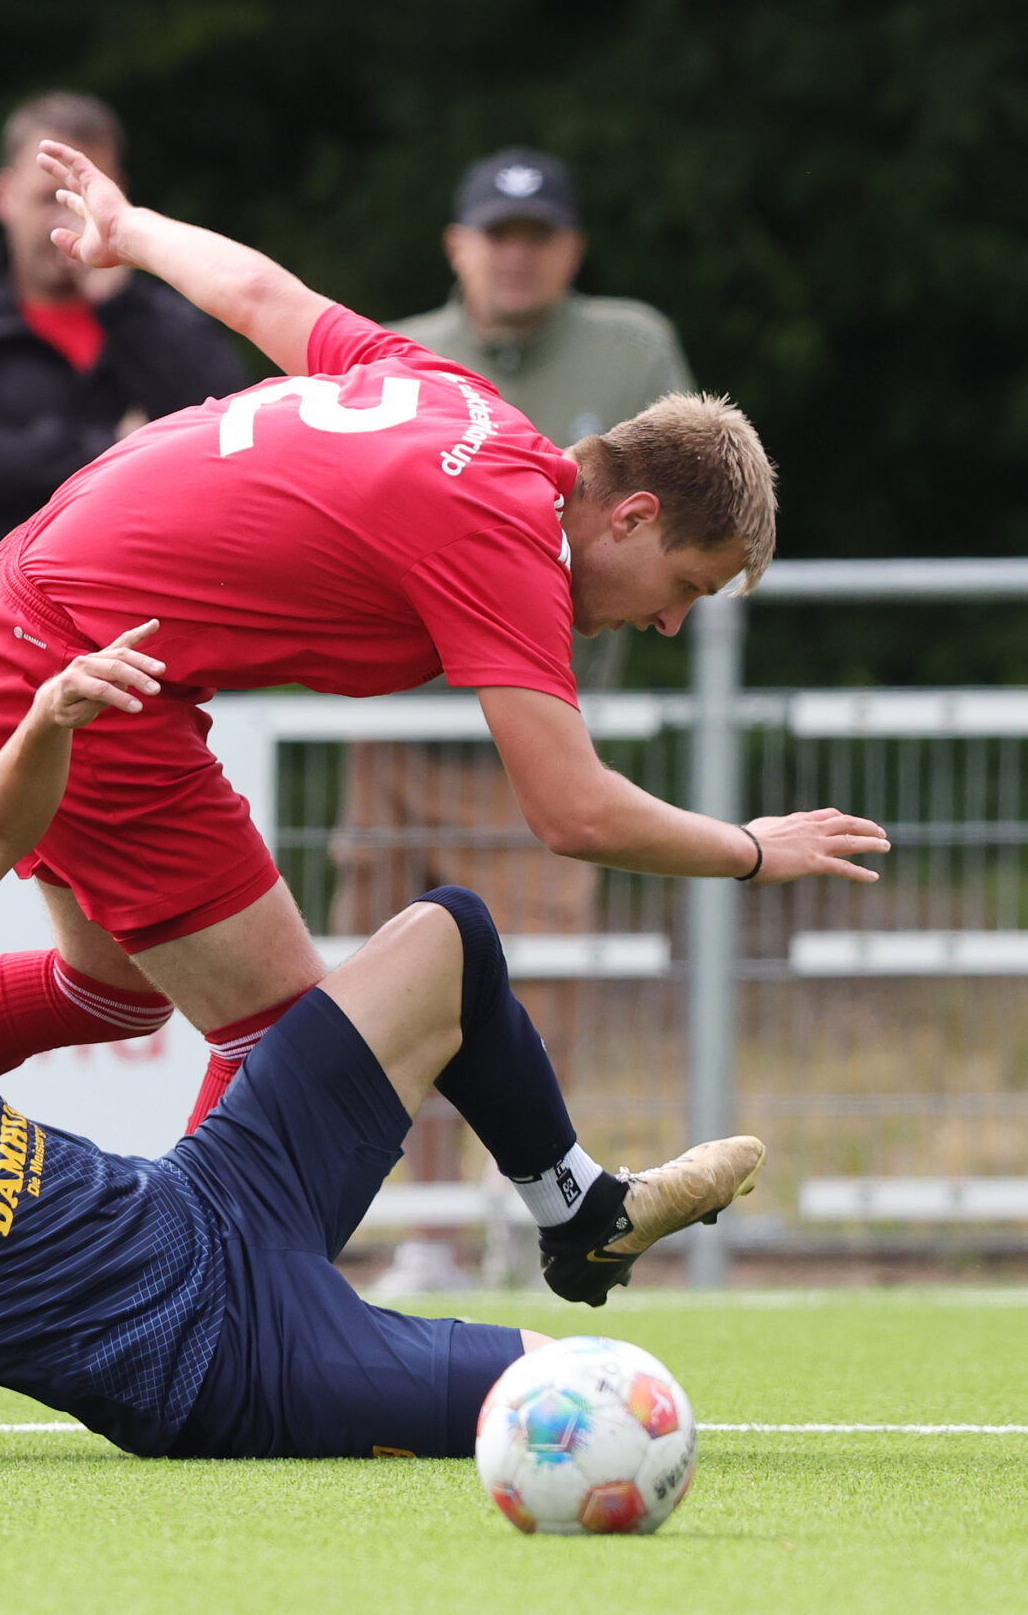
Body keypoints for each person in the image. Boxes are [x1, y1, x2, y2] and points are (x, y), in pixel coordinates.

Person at [0, 142, 888, 1200]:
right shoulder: (512, 541)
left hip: (24, 614)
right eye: (685, 586)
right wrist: (750, 850)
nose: (667, 624)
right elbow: (573, 812)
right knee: (283, 1036)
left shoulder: (456, 394)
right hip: (78, 663)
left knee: (112, 989)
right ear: (633, 515)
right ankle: (188, 1278)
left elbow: (260, 296)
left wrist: (132, 230)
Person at [0, 621, 763, 1463]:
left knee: (445, 934)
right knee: (602, 1399)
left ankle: (576, 1213)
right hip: (212, 1361)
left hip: (215, 1193)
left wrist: (48, 716)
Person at [338, 149, 698, 1294]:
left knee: (542, 985)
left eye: (538, 235)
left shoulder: (631, 348)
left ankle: (527, 1208)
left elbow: (683, 512)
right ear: (457, 246)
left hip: (536, 727)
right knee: (384, 981)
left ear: (571, 249)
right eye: (496, 234)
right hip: (398, 725)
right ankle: (428, 1230)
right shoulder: (402, 348)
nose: (516, 255)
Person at [0, 92, 247, 695]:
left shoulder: (166, 322)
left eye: (87, 197)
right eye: (50, 197)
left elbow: (240, 447)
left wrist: (122, 307)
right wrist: (115, 450)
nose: (72, 220)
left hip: (150, 673)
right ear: (2, 197)